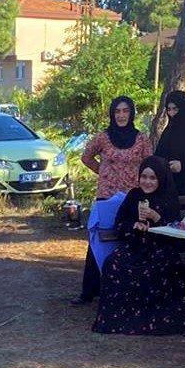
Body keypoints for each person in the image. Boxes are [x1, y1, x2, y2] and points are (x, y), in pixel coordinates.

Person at [93, 156, 185, 335]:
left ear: (161, 178)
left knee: (160, 266)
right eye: (144, 177)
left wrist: (156, 218)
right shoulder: (134, 195)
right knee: (113, 263)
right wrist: (134, 226)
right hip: (136, 245)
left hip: (161, 247)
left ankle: (156, 320)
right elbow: (120, 222)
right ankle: (122, 319)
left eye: (153, 178)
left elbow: (176, 230)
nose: (147, 182)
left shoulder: (168, 197)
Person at [73, 96, 153, 305]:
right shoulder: (103, 137)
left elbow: (150, 164)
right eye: (117, 111)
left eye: (125, 111)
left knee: (128, 238)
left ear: (131, 113)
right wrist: (103, 172)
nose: (121, 115)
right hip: (107, 196)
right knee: (99, 241)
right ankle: (89, 291)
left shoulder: (141, 139)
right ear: (112, 114)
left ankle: (127, 288)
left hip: (132, 196)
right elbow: (86, 157)